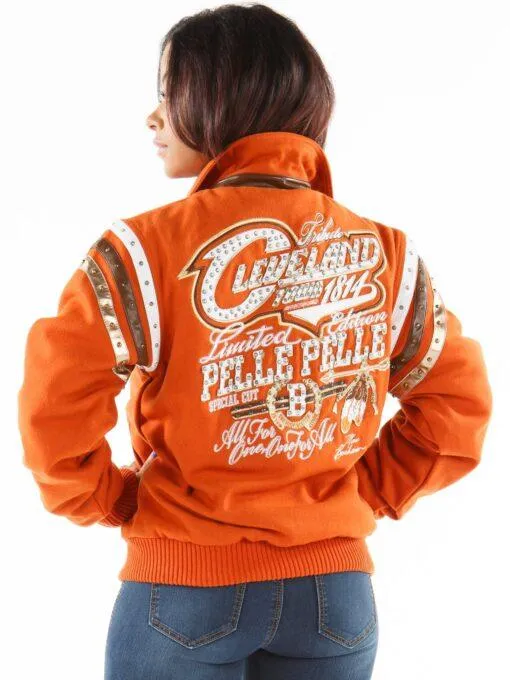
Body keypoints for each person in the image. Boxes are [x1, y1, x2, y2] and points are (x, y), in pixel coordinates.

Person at [17, 4, 493, 679]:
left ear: (219, 99)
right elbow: (457, 409)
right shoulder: (386, 254)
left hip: (182, 589)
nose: (153, 116)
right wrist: (356, 500)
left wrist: (109, 499)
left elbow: (55, 399)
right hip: (336, 601)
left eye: (168, 92)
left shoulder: (142, 249)